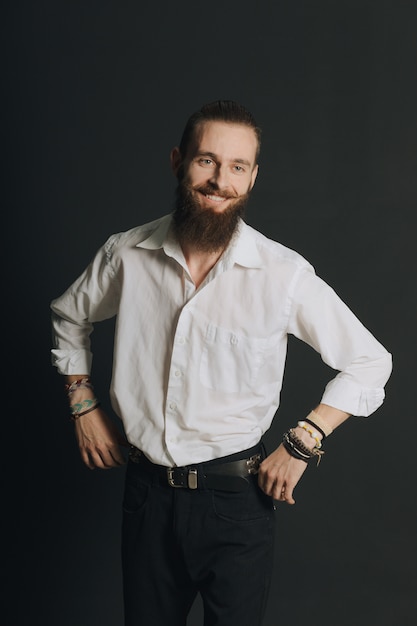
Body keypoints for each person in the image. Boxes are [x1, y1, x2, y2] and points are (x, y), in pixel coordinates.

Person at [50, 100, 392, 626]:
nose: (219, 181)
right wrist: (82, 402)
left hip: (235, 503)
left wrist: (304, 440)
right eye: (206, 161)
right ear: (177, 161)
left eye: (237, 167)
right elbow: (69, 316)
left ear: (253, 178)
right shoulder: (128, 253)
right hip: (145, 498)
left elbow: (370, 362)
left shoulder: (283, 274)